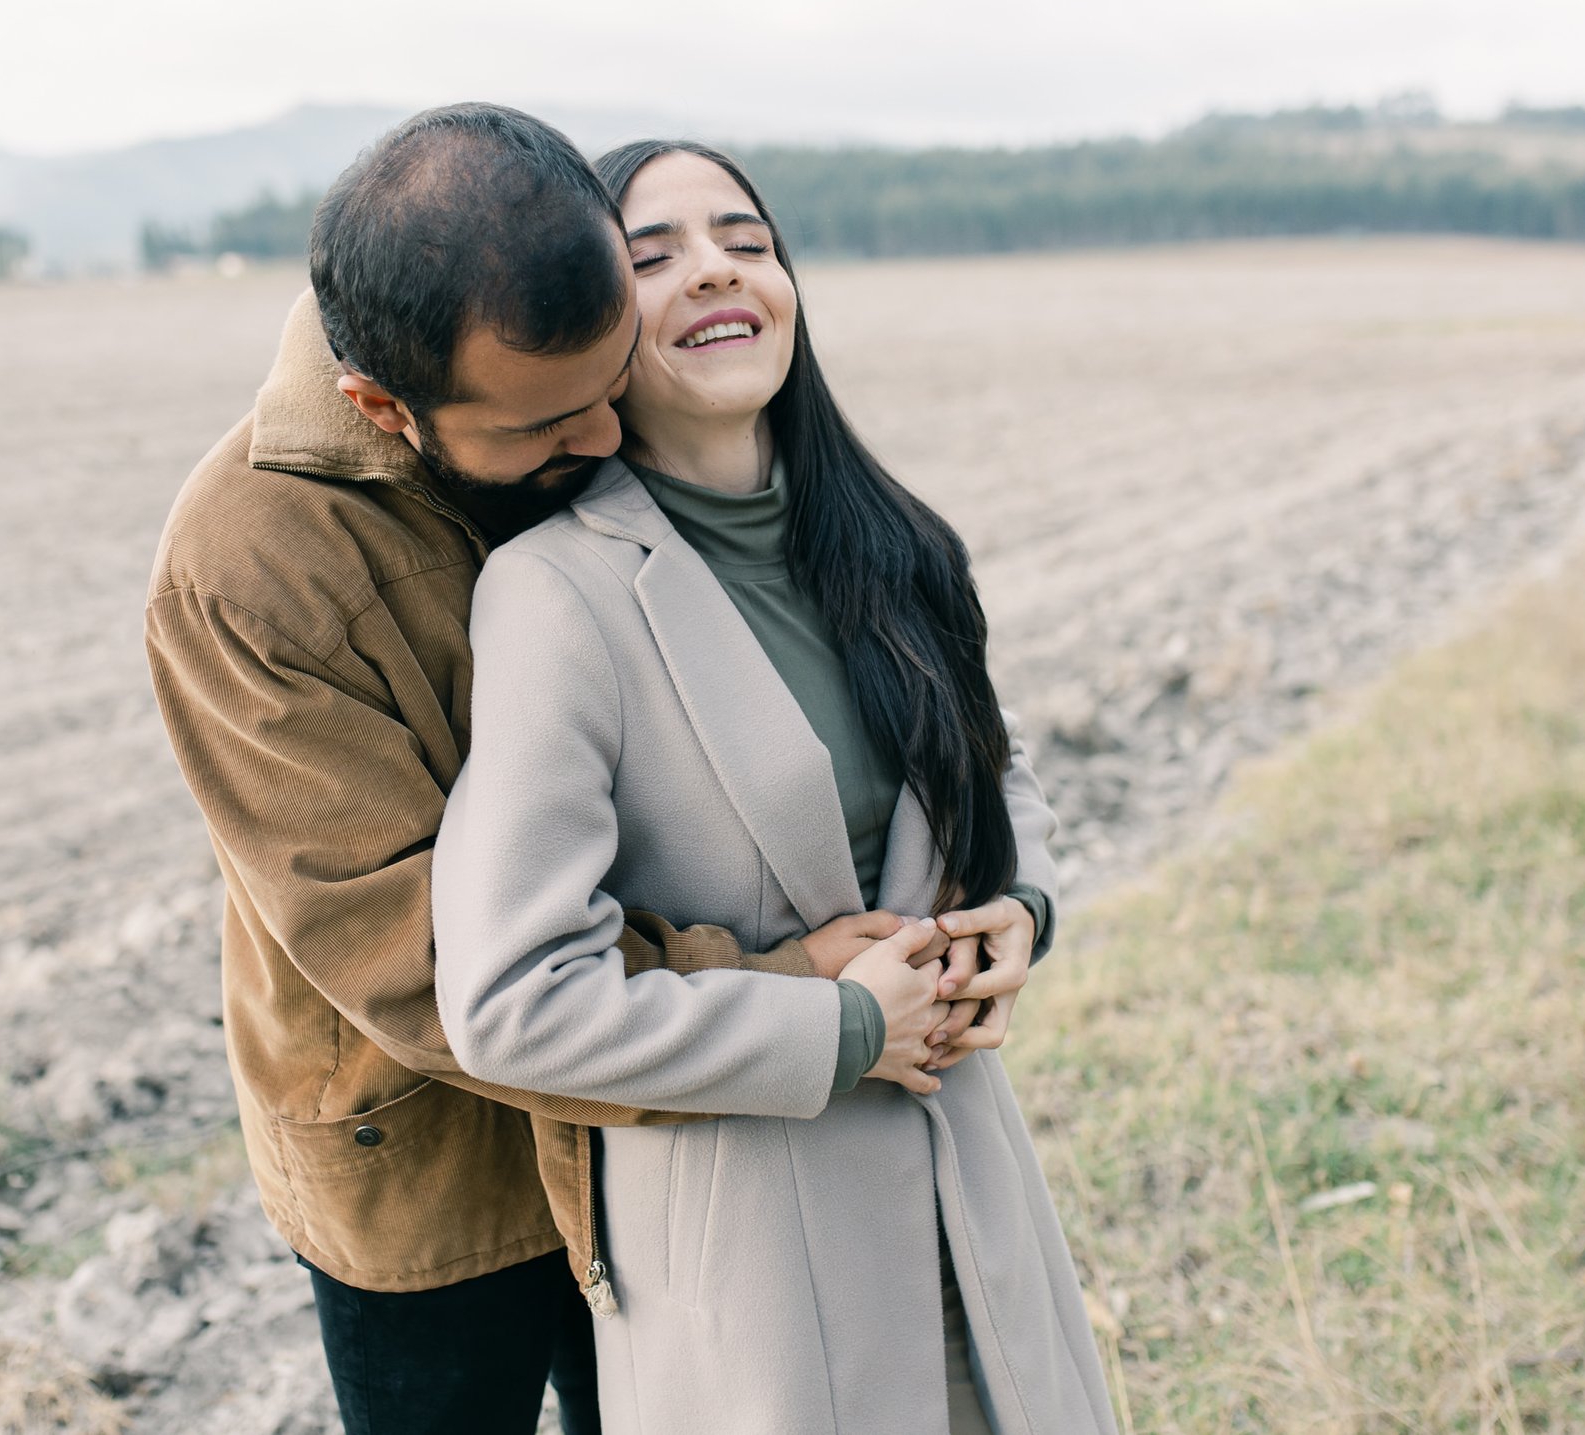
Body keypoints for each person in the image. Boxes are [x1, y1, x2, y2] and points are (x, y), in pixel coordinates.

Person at [144, 106, 928, 1435]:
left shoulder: (571, 383)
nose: (608, 441)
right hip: (438, 1173)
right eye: (549, 426)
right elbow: (412, 962)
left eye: (608, 384)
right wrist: (781, 996)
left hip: (669, 1112)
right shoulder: (244, 567)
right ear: (382, 407)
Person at [430, 140, 1118, 1435]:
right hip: (754, 1265)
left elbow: (997, 764)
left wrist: (1021, 906)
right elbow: (513, 1005)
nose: (713, 272)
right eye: (653, 256)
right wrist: (838, 1028)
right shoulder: (557, 598)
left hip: (975, 1195)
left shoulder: (892, 541)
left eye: (745, 240)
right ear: (584, 327)